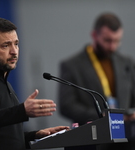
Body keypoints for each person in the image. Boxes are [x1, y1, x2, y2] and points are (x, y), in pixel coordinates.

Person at [0, 17, 69, 150]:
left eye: (16, 44)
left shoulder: (3, 82)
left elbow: (1, 135)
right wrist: (22, 111)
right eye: (6, 45)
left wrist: (35, 134)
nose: (14, 51)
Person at [58, 12, 135, 149]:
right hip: (93, 140)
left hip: (126, 139)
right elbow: (67, 106)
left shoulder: (127, 63)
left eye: (117, 41)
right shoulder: (72, 65)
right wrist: (103, 116)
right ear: (94, 35)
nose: (112, 46)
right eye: (107, 40)